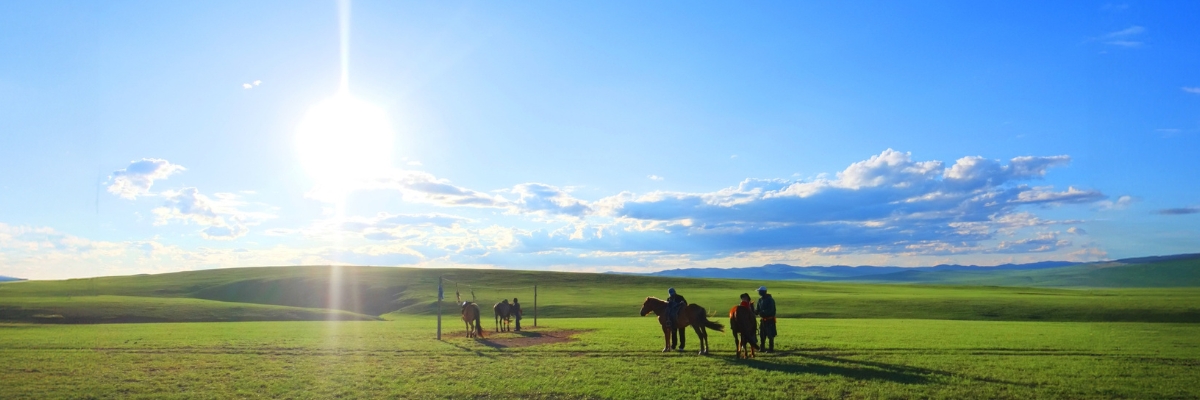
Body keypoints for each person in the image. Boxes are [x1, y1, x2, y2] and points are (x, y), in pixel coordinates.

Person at [755, 285, 777, 352]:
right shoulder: (760, 300)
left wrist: (762, 312)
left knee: (770, 335)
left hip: (769, 320)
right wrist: (755, 311)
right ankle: (762, 348)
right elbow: (758, 309)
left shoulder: (770, 300)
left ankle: (771, 349)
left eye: (760, 291)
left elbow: (771, 309)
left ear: (764, 292)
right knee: (762, 334)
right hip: (763, 320)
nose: (759, 293)